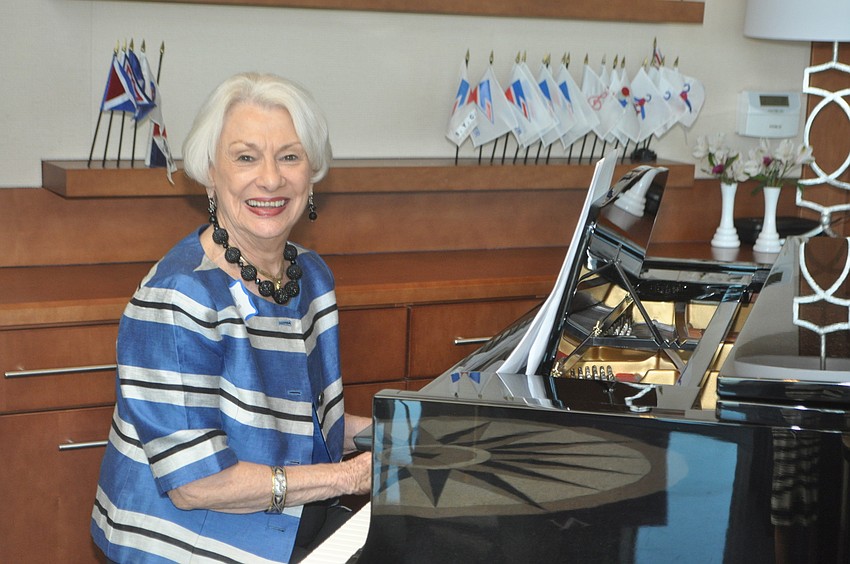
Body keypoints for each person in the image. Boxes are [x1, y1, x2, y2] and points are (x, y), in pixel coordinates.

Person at [91, 72, 372, 563]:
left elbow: (294, 420)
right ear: (209, 173)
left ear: (312, 173)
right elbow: (197, 484)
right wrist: (349, 478)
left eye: (290, 156)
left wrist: (407, 432)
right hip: (188, 542)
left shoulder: (311, 276)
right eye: (246, 157)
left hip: (286, 520)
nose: (270, 178)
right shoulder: (179, 298)